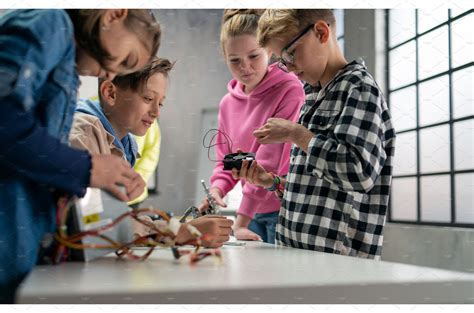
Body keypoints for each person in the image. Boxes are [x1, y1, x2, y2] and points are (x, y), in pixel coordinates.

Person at [0, 9, 161, 303]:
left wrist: (92, 180)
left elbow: (29, 157)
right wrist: (85, 167)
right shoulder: (51, 22)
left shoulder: (68, 69)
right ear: (113, 14)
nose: (112, 73)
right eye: (125, 61)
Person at [234, 9, 396, 258]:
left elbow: (359, 173)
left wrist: (297, 134)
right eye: (281, 60)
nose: (287, 67)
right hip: (296, 256)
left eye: (289, 54)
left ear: (321, 32)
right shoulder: (312, 96)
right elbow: (317, 190)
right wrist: (272, 182)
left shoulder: (358, 89)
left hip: (336, 265)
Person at [70, 58, 233, 247]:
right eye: (148, 99)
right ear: (110, 93)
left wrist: (178, 230)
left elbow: (115, 221)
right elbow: (92, 226)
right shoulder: (83, 134)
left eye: (160, 103)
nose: (156, 112)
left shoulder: (125, 145)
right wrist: (179, 232)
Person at [198, 9, 305, 244]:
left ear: (268, 48)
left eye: (253, 56)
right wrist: (217, 191)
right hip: (251, 212)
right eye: (234, 60)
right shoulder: (227, 103)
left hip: (286, 210)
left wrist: (241, 222)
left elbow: (267, 164)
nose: (245, 67)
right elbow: (226, 162)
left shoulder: (289, 90)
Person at [128, 120, 161, 207]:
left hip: (133, 195)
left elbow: (151, 152)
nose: (157, 112)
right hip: (99, 195)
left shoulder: (149, 120)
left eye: (160, 105)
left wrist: (138, 177)